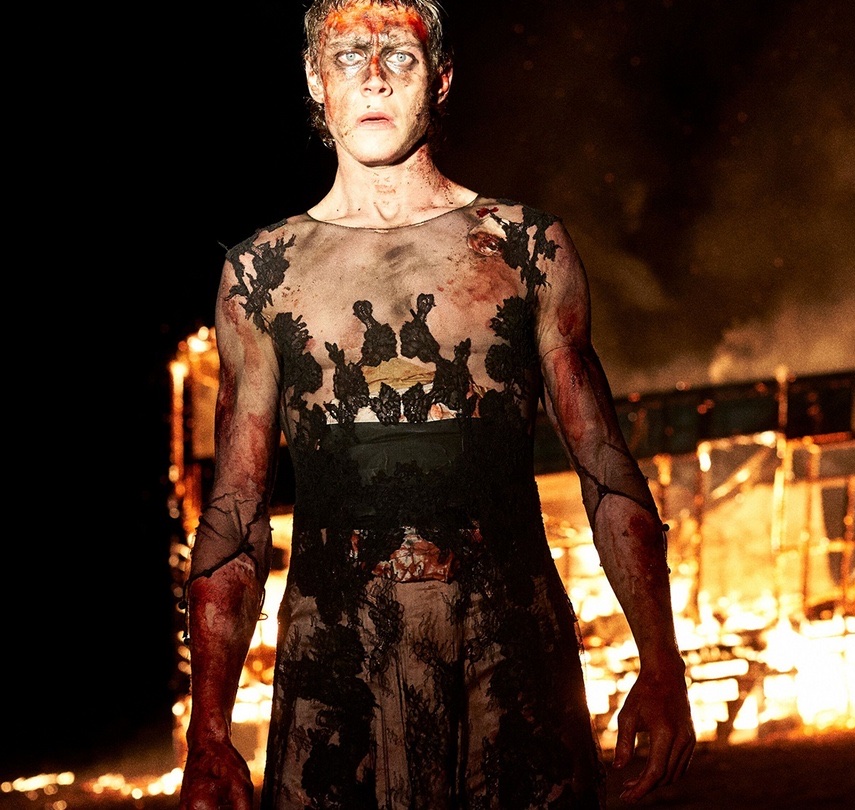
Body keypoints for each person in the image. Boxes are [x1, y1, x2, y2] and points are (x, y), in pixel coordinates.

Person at [179, 0, 695, 806]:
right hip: (337, 673)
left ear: (442, 78)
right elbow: (238, 507)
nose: (376, 77)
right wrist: (207, 731)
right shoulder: (262, 275)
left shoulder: (524, 246)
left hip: (512, 661)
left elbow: (602, 463)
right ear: (315, 79)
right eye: (349, 56)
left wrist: (662, 665)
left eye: (402, 58)